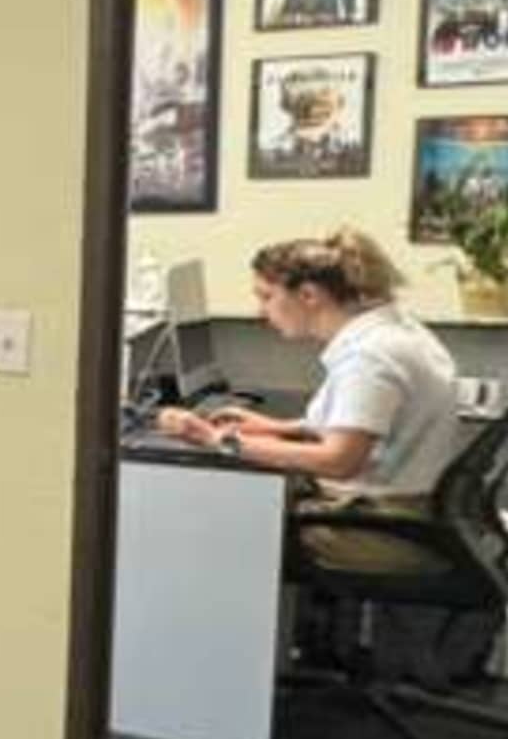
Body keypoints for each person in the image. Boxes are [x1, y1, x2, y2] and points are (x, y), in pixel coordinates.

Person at [152, 228, 461, 571]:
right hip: (410, 516)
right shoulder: (393, 330)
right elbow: (360, 427)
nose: (260, 312)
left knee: (219, 522)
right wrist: (278, 427)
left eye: (267, 297)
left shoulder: (370, 358)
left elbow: (339, 461)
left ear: (309, 295)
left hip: (381, 530)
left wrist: (217, 440)